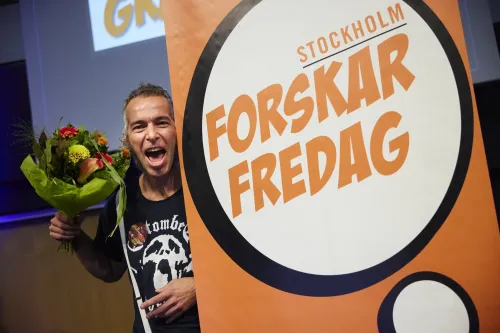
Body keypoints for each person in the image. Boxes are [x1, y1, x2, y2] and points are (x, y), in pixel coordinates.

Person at [49, 83, 200, 333]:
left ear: (177, 130)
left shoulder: (204, 192)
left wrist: (198, 287)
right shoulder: (120, 204)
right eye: (139, 126)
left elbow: (242, 263)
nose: (151, 134)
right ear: (127, 141)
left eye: (161, 122)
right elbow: (109, 269)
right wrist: (74, 236)